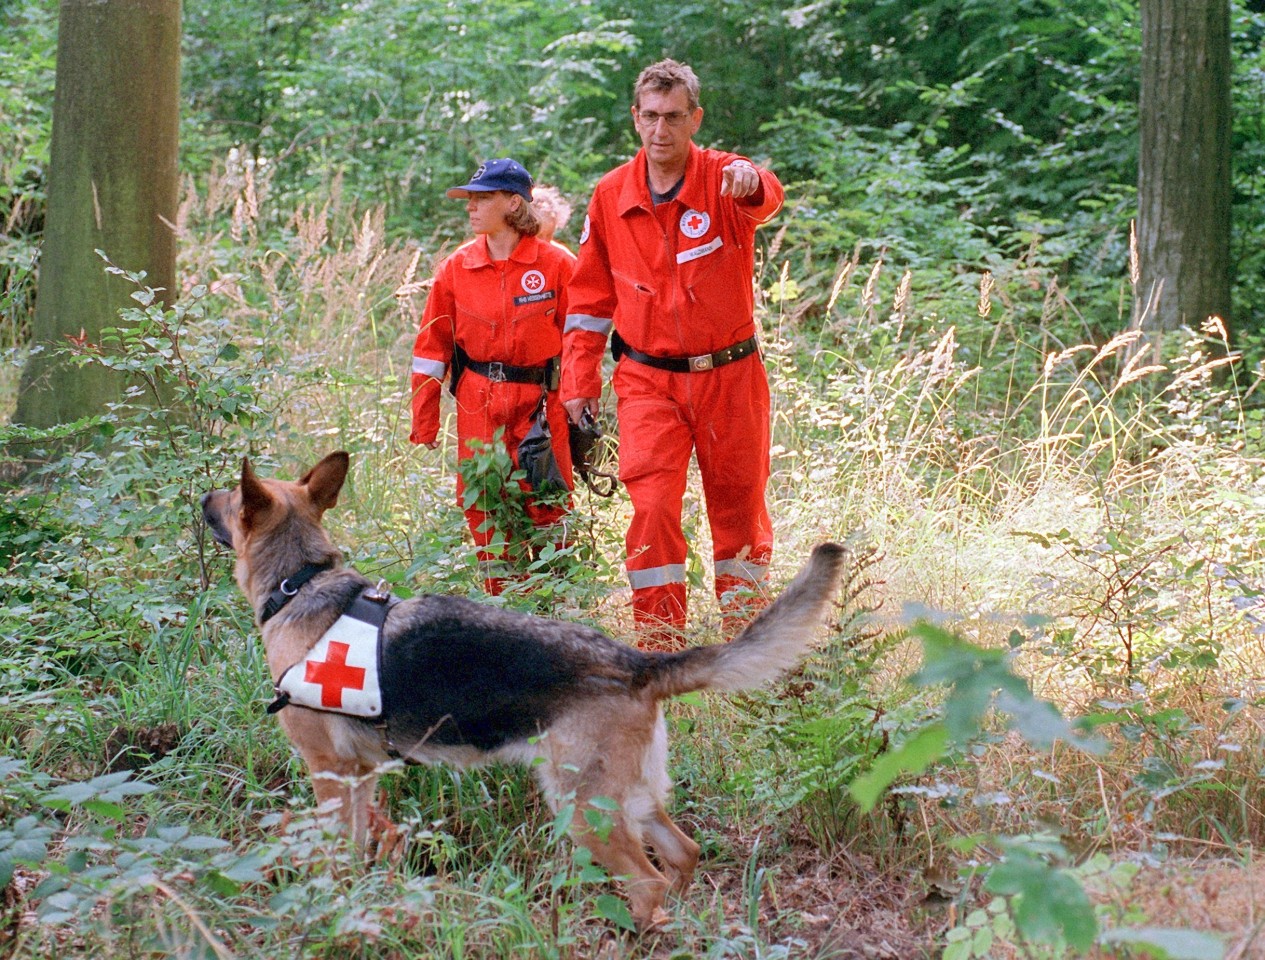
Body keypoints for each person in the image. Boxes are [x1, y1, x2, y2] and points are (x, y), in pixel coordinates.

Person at [561, 59, 785, 650]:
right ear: (636, 118)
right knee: (653, 509)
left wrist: (751, 179)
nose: (661, 130)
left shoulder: (723, 179)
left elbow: (766, 197)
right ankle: (660, 652)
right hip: (647, 380)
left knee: (739, 514)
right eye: (651, 117)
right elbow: (588, 298)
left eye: (674, 118)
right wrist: (578, 381)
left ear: (695, 119)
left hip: (731, 377)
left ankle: (748, 653)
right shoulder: (611, 194)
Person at [409, 158, 575, 595]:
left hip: (542, 399)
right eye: (469, 198)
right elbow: (430, 350)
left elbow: (579, 341)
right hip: (478, 398)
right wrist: (424, 421)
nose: (470, 207)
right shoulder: (456, 267)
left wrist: (578, 400)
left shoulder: (557, 264)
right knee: (484, 503)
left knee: (548, 504)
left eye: (483, 198)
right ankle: (502, 607)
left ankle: (553, 604)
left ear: (514, 203)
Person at [530, 185, 576, 256]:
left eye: (549, 236)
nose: (545, 242)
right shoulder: (508, 253)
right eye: (538, 237)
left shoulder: (563, 257)